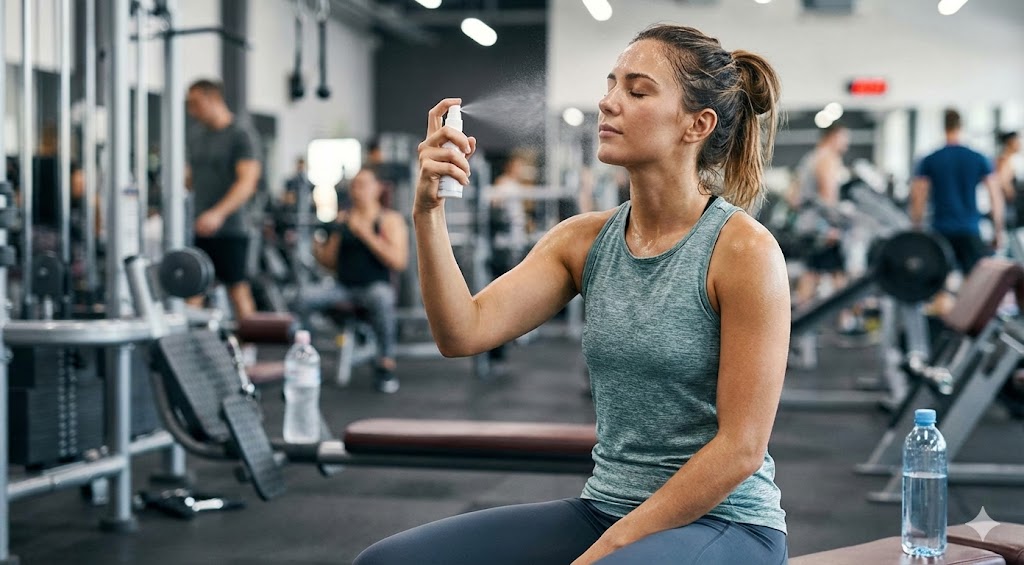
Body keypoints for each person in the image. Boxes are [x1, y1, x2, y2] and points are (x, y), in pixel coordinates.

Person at [356, 24, 789, 565]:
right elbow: (461, 332)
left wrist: (606, 549)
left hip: (727, 523)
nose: (608, 103)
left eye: (637, 90)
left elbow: (741, 449)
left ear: (696, 125)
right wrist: (427, 211)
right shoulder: (581, 241)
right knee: (388, 563)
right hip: (605, 508)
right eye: (610, 85)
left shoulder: (743, 251)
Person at [301, 168, 409, 393]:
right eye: (355, 185)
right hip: (343, 287)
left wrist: (366, 234)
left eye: (364, 184)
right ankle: (305, 360)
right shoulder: (343, 218)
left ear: (378, 188)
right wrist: (319, 245)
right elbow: (329, 263)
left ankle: (385, 363)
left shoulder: (389, 219)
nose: (358, 190)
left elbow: (399, 262)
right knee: (303, 297)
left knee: (382, 298)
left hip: (374, 287)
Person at [185, 79, 262, 320]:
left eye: (196, 103)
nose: (192, 110)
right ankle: (187, 352)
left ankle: (249, 351)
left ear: (213, 99)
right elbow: (190, 178)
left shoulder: (240, 134)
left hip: (231, 228)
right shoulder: (196, 135)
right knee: (194, 288)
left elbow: (247, 183)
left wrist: (218, 214)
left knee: (238, 290)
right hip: (198, 225)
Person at [910, 109, 1004, 278]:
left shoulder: (930, 159)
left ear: (944, 127)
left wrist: (916, 226)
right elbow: (995, 196)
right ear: (961, 126)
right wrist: (998, 230)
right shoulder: (979, 157)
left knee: (940, 282)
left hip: (940, 230)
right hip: (969, 229)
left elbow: (919, 196)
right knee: (973, 283)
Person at [789, 123, 850, 309]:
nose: (846, 144)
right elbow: (828, 196)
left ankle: (800, 323)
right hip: (822, 227)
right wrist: (832, 227)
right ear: (833, 137)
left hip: (808, 224)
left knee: (812, 271)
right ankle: (845, 322)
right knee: (836, 273)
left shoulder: (811, 158)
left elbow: (792, 197)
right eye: (844, 139)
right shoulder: (827, 159)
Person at [995, 131, 1021, 229]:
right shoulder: (1004, 161)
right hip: (1007, 210)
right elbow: (1002, 182)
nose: (1020, 144)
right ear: (1010, 142)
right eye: (1017, 141)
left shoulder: (1006, 160)